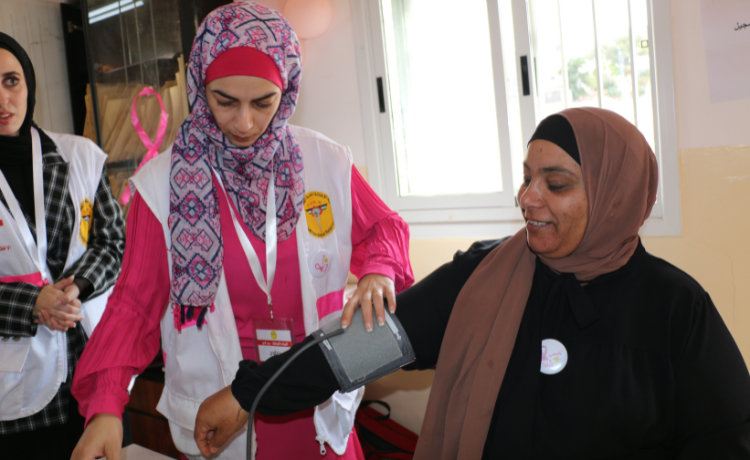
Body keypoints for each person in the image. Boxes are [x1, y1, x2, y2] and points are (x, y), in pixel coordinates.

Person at [196, 107, 750, 459]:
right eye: (528, 178)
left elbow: (727, 438)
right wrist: (251, 392)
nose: (528, 198)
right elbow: (358, 348)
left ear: (614, 196)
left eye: (555, 184)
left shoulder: (675, 308)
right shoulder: (486, 275)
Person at [71, 2, 413, 460]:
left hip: (317, 410)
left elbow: (384, 229)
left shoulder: (324, 162)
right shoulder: (160, 187)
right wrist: (105, 407)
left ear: (287, 90)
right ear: (199, 86)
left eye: (263, 102)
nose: (244, 123)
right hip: (220, 423)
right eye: (225, 101)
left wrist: (378, 272)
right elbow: (133, 305)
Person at [0, 33, 125, 460]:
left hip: (91, 370)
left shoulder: (79, 156)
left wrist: (79, 287)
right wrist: (32, 302)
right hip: (16, 394)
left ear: (28, 84)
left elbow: (113, 242)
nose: (3, 98)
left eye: (10, 80)